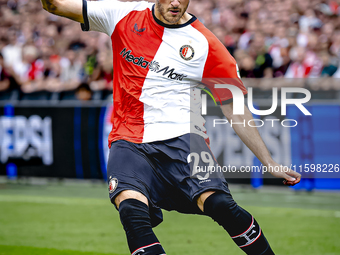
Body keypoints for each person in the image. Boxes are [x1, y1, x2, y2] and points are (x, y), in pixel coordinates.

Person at [39, 0, 301, 254]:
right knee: (131, 210)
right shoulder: (121, 14)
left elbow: (234, 107)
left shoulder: (207, 44)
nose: (176, 3)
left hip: (184, 139)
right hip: (129, 139)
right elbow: (54, 5)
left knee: (220, 204)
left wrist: (269, 163)